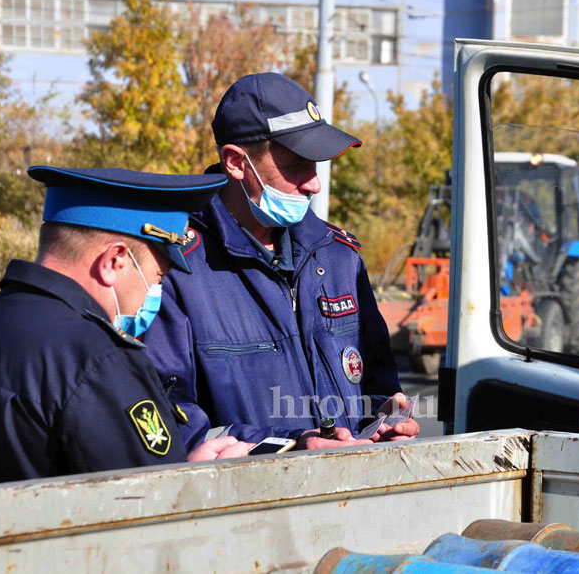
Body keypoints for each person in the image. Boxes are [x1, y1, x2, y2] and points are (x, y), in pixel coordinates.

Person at [0, 166, 253, 490]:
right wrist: (197, 481)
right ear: (115, 262)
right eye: (158, 278)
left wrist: (183, 467)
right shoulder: (99, 357)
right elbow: (148, 502)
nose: (155, 292)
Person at [144, 72, 420, 450]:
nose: (314, 184)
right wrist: (287, 446)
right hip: (247, 500)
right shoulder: (174, 268)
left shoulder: (339, 257)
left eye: (316, 165)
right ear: (236, 163)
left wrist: (383, 421)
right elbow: (165, 418)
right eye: (296, 166)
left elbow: (376, 383)